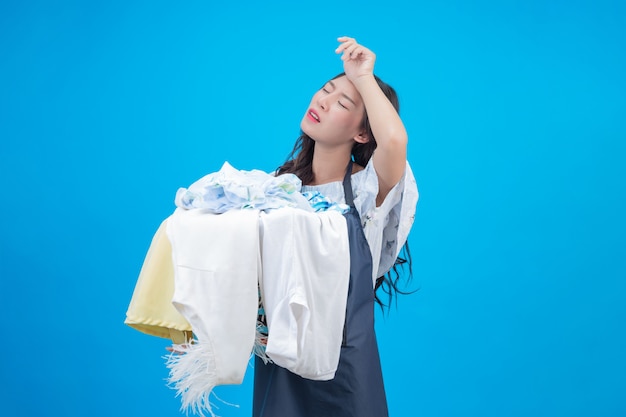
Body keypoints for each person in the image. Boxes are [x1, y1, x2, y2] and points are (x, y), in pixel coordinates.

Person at [252, 36, 418, 417]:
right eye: (325, 90)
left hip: (344, 372)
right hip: (280, 358)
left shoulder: (366, 190)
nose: (323, 101)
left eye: (342, 102)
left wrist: (363, 78)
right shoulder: (276, 189)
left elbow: (393, 139)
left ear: (362, 133)